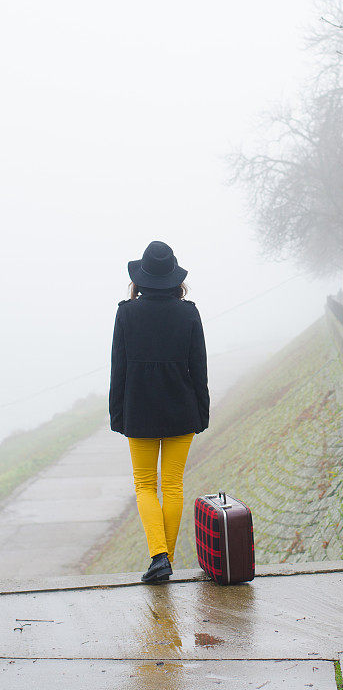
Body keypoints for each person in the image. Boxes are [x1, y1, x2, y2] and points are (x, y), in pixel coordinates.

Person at [109, 240, 210, 584]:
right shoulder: (189, 312)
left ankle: (159, 557)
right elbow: (199, 367)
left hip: (139, 413)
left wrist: (117, 414)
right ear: (173, 279)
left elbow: (118, 368)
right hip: (182, 410)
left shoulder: (126, 312)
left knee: (145, 486)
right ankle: (162, 560)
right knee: (172, 485)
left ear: (141, 278)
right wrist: (203, 412)